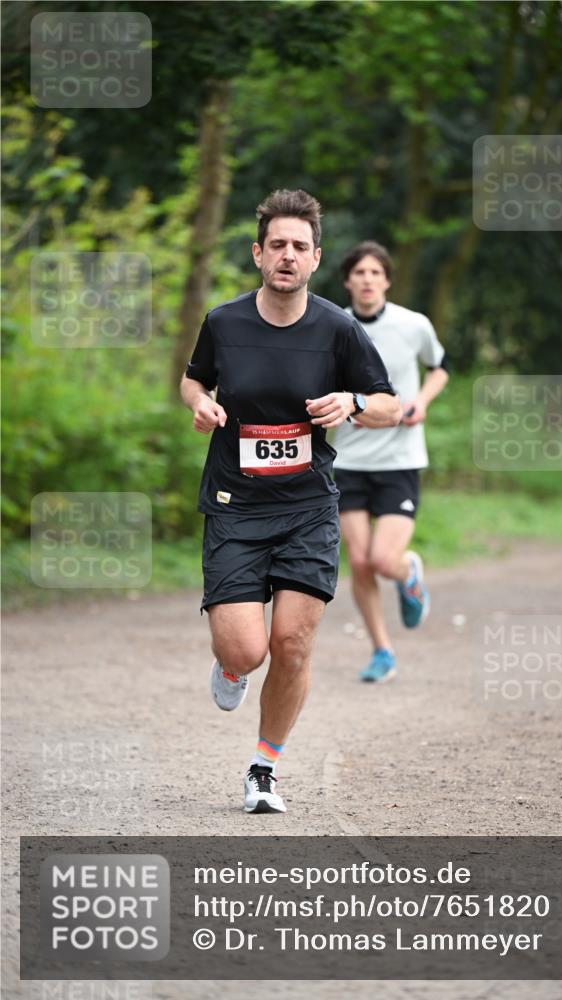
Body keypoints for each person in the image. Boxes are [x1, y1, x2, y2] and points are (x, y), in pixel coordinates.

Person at [180, 192, 400, 813]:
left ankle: (263, 769)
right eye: (276, 244)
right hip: (234, 503)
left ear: (316, 258)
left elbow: (389, 404)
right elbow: (194, 376)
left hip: (307, 506)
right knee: (246, 650)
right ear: (257, 253)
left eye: (299, 246)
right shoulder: (225, 323)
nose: (287, 255)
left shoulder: (337, 328)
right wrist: (199, 401)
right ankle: (229, 665)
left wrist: (352, 405)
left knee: (293, 643)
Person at [333, 241, 449, 683]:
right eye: (359, 273)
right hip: (349, 460)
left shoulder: (413, 324)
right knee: (360, 562)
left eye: (375, 273)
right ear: (347, 280)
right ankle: (382, 650)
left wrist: (420, 400)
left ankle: (408, 572)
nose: (367, 280)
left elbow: (440, 365)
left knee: (383, 560)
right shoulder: (333, 325)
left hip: (400, 459)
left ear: (387, 280)